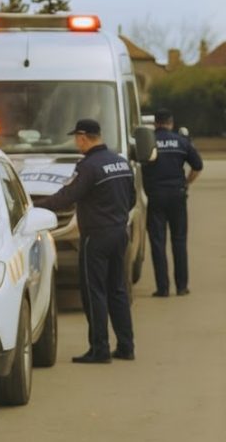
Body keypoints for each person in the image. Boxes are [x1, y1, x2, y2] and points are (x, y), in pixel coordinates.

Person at [32, 118, 135, 363]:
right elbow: (130, 198)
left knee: (93, 292)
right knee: (118, 290)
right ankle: (126, 346)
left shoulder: (88, 166)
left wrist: (35, 207)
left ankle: (99, 349)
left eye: (77, 139)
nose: (76, 143)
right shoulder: (120, 162)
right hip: (120, 233)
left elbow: (67, 197)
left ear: (82, 137)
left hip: (96, 237)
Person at [141, 109, 203, 297]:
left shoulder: (148, 142)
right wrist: (186, 183)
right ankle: (182, 287)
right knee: (179, 240)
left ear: (155, 123)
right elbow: (198, 166)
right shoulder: (181, 141)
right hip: (177, 195)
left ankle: (163, 288)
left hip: (155, 196)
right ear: (171, 123)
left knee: (157, 242)